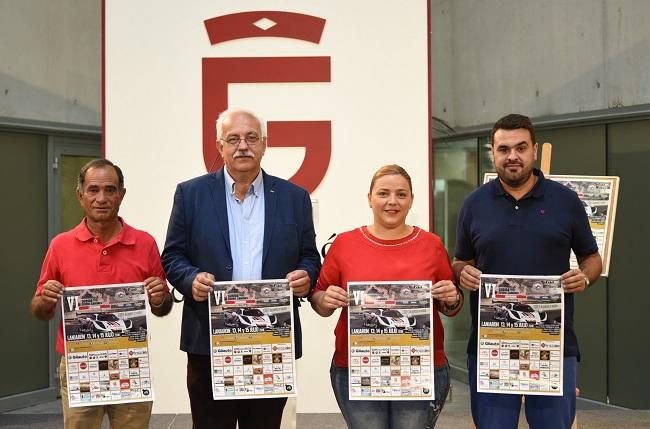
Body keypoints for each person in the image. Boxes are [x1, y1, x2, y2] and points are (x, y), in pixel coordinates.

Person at [161, 108, 321, 429]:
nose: (242, 146)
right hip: (209, 341)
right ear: (219, 147)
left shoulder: (295, 198)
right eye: (233, 139)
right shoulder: (191, 194)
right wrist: (190, 279)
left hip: (271, 338)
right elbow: (172, 256)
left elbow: (309, 257)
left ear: (264, 144)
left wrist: (306, 275)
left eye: (251, 138)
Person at [452, 113, 603, 429]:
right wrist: (462, 272)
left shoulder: (566, 201)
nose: (512, 157)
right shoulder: (473, 204)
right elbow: (461, 261)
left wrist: (585, 276)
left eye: (520, 148)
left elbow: (592, 258)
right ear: (493, 153)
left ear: (534, 150)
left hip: (553, 343)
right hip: (491, 344)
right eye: (503, 149)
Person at [310, 164, 463, 429]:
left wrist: (451, 296)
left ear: (411, 200)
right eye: (383, 193)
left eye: (401, 194)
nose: (392, 201)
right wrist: (324, 299)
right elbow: (319, 300)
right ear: (369, 198)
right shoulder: (345, 244)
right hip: (358, 366)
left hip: (420, 366)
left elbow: (450, 306)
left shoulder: (432, 244)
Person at [30, 158, 173, 429]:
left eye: (110, 189)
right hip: (78, 363)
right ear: (80, 195)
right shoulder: (60, 245)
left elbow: (162, 305)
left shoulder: (144, 243)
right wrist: (44, 299)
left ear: (122, 194)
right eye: (93, 190)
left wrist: (159, 297)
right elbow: (40, 310)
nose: (102, 198)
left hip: (130, 362)